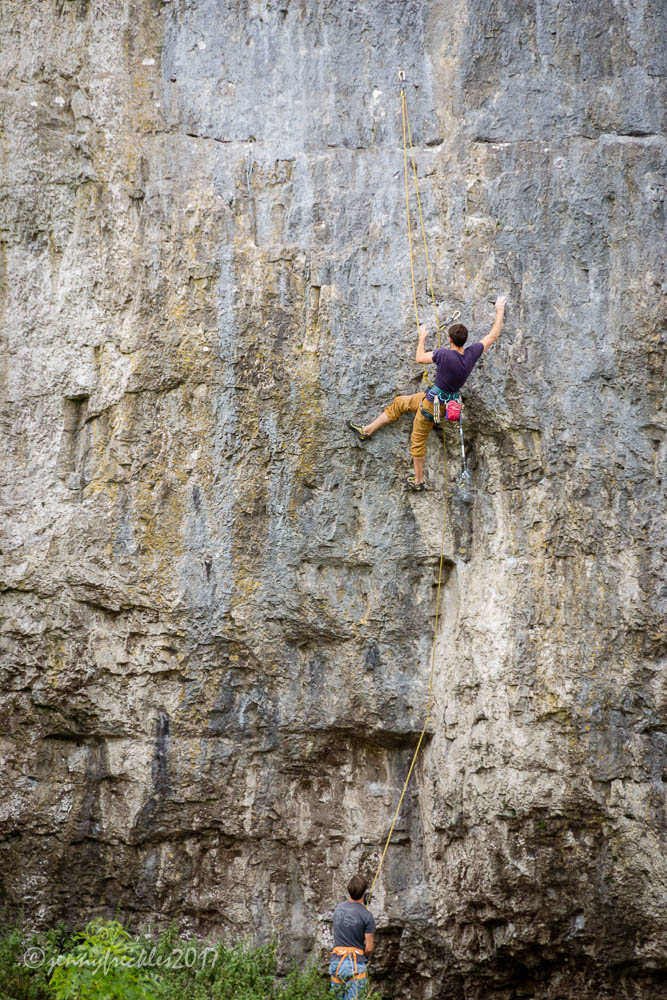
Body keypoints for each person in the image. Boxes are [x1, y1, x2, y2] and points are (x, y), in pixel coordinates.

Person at [347, 296, 507, 491]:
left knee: (417, 441)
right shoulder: (471, 354)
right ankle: (367, 431)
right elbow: (492, 336)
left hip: (431, 405)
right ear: (464, 341)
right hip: (441, 402)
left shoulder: (443, 355)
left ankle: (419, 482)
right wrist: (500, 310)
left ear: (449, 339)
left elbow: (419, 358)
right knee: (400, 403)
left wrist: (422, 337)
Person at [329, 874, 375, 997]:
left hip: (336, 963)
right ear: (364, 893)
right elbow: (369, 948)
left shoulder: (338, 908)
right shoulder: (367, 915)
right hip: (355, 965)